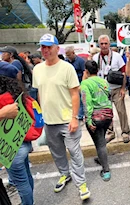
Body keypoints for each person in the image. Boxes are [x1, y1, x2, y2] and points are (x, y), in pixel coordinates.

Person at [32, 34, 90, 200]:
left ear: (57, 48)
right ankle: (65, 174)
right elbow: (40, 94)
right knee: (57, 152)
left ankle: (81, 184)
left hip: (67, 120)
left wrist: (74, 118)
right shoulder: (37, 69)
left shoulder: (67, 68)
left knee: (74, 151)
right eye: (43, 47)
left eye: (49, 46)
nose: (46, 50)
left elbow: (74, 94)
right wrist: (41, 116)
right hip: (49, 121)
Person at [0, 61, 34, 205]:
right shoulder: (17, 93)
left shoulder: (2, 99)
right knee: (26, 176)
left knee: (21, 183)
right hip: (23, 142)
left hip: (11, 149)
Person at [93, 35, 130, 143]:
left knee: (121, 111)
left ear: (109, 44)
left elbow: (124, 73)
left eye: (106, 43)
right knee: (106, 113)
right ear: (99, 45)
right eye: (102, 44)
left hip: (117, 89)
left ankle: (125, 132)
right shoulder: (95, 58)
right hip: (102, 90)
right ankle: (110, 132)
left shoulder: (117, 56)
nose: (104, 46)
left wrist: (123, 88)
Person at [81, 60, 113, 181]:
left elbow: (86, 103)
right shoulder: (104, 81)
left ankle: (106, 170)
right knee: (101, 140)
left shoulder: (85, 84)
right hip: (107, 115)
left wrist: (88, 120)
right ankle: (101, 159)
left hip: (96, 117)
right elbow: (109, 97)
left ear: (87, 71)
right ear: (98, 70)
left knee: (99, 144)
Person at [65, 46, 86, 120]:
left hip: (79, 82)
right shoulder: (66, 62)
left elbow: (84, 72)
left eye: (69, 55)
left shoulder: (81, 61)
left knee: (80, 99)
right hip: (69, 83)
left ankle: (80, 115)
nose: (68, 57)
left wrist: (82, 83)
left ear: (73, 53)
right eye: (66, 55)